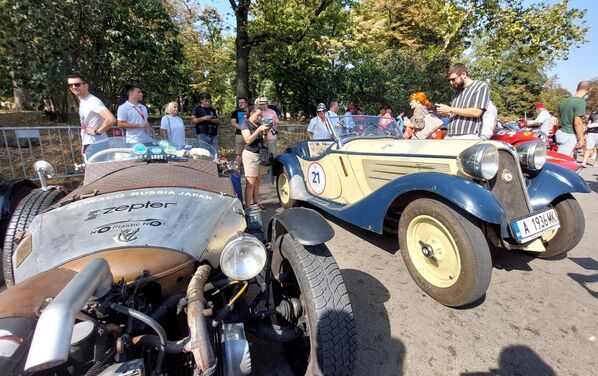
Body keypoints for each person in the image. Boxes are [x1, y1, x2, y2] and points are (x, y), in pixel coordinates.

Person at [436, 63, 491, 139]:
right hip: (450, 135)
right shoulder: (457, 92)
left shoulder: (480, 86)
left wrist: (450, 109)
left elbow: (477, 112)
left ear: (464, 74)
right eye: (449, 80)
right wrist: (447, 113)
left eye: (453, 79)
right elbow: (457, 112)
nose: (451, 83)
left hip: (468, 136)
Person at [67, 74, 116, 154]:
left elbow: (111, 119)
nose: (73, 87)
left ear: (86, 86)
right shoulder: (84, 101)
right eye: (70, 85)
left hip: (97, 144)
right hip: (91, 144)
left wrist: (97, 131)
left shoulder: (93, 101)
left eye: (77, 84)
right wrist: (84, 144)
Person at [241, 107, 271, 208]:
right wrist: (258, 130)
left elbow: (264, 142)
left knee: (257, 182)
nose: (259, 117)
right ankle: (248, 206)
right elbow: (248, 140)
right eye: (258, 115)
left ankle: (256, 203)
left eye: (261, 116)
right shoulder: (246, 124)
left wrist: (265, 132)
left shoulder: (258, 124)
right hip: (250, 155)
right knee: (251, 183)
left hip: (260, 155)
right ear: (252, 113)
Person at [556, 80, 592, 156]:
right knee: (563, 161)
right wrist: (582, 138)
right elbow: (577, 122)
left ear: (577, 88)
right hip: (569, 134)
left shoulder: (564, 101)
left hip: (561, 132)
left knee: (569, 160)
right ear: (589, 89)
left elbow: (558, 118)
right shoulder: (580, 102)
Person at [230, 97, 248, 167]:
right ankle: (236, 171)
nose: (241, 104)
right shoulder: (235, 112)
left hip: (250, 135)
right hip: (239, 135)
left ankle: (247, 171)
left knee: (249, 153)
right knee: (239, 154)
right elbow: (233, 123)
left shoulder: (251, 112)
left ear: (246, 103)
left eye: (242, 102)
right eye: (239, 103)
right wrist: (243, 128)